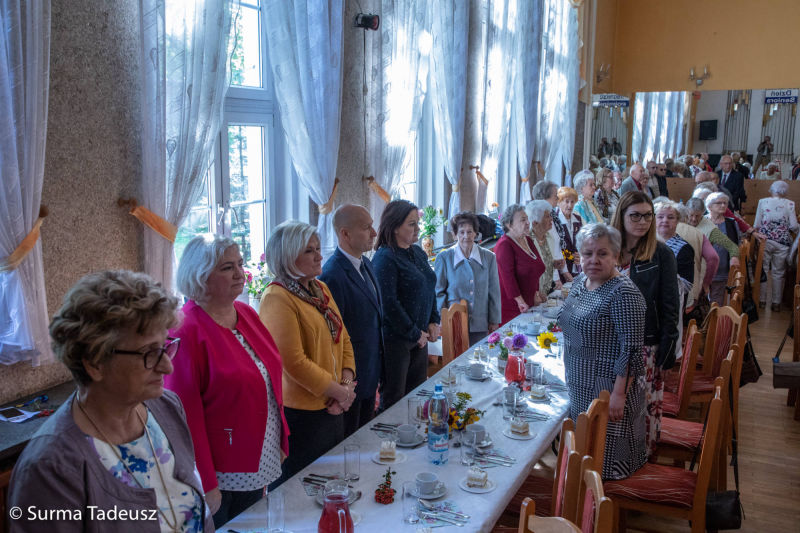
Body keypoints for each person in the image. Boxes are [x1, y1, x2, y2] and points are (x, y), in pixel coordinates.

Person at [9, 270, 212, 532]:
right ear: (95, 363)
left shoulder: (167, 407)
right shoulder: (50, 467)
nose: (167, 366)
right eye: (149, 353)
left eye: (165, 346)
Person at [167, 235, 289, 527]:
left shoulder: (245, 312)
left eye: (240, 264)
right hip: (221, 472)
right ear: (200, 276)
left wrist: (281, 436)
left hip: (260, 454)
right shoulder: (184, 329)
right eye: (227, 268)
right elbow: (185, 418)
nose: (239, 273)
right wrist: (206, 482)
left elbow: (269, 380)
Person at [260, 221, 356, 483]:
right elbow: (293, 362)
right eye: (309, 251)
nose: (319, 256)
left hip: (333, 405)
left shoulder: (320, 289)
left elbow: (344, 338)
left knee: (332, 483)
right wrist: (340, 392)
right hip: (303, 415)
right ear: (288, 257)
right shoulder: (277, 297)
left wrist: (346, 384)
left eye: (318, 249)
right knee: (303, 488)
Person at [558, 223, 647, 480]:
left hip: (607, 391)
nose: (593, 260)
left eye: (602, 253)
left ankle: (602, 501)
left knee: (604, 463)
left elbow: (631, 350)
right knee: (585, 454)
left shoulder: (624, 293)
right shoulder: (580, 282)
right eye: (588, 253)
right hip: (580, 385)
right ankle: (581, 497)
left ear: (616, 256)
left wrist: (619, 394)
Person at [611, 191, 679, 458]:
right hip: (609, 342)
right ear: (621, 216)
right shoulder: (608, 247)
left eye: (647, 216)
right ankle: (611, 459)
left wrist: (668, 348)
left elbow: (670, 305)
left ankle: (640, 458)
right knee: (612, 408)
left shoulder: (661, 253)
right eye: (635, 216)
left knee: (639, 407)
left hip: (645, 345)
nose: (642, 222)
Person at [320, 204, 383, 436]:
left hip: (370, 372)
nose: (374, 233)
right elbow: (334, 337)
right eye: (366, 228)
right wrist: (345, 384)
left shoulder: (366, 263)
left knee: (366, 438)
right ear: (345, 234)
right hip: (350, 381)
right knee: (350, 443)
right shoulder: (332, 275)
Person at [372, 200, 440, 410]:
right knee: (394, 401)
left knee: (416, 395)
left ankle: (414, 431)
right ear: (394, 227)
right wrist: (414, 333)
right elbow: (388, 304)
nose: (418, 228)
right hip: (396, 342)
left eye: (417, 223)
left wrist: (433, 320)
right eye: (412, 224)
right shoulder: (385, 258)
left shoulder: (417, 252)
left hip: (420, 336)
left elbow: (429, 286)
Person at [435, 212, 501, 345]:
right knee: (456, 357)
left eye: (470, 232)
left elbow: (494, 291)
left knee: (480, 355)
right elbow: (438, 292)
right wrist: (442, 319)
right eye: (461, 232)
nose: (466, 236)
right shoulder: (444, 258)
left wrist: (494, 320)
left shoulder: (489, 257)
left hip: (480, 324)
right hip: (453, 323)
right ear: (455, 235)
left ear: (476, 233)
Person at [495, 204, 546, 324]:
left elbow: (536, 269)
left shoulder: (527, 240)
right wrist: (520, 302)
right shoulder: (504, 245)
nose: (528, 222)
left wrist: (536, 292)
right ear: (509, 225)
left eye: (527, 219)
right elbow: (507, 278)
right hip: (513, 307)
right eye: (523, 220)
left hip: (530, 303)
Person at [753, 180, 799, 311]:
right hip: (782, 242)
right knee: (779, 272)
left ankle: (762, 301)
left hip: (764, 241)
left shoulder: (762, 202)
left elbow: (757, 224)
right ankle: (776, 303)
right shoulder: (790, 204)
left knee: (763, 270)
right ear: (785, 192)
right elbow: (793, 226)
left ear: (772, 190)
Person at [704, 192, 742, 305]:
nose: (723, 205)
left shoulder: (731, 223)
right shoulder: (702, 222)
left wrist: (734, 256)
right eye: (719, 203)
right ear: (709, 206)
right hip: (703, 270)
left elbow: (736, 244)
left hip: (722, 271)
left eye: (725, 203)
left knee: (717, 302)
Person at [532, 179, 570, 282]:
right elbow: (547, 253)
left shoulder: (553, 215)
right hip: (545, 276)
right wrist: (556, 279)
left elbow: (557, 246)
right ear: (545, 198)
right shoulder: (539, 219)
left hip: (554, 271)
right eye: (555, 196)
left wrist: (565, 272)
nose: (558, 198)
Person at [526, 199, 563, 301]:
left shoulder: (549, 237)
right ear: (535, 223)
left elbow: (544, 262)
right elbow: (528, 272)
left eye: (550, 215)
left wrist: (554, 264)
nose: (551, 219)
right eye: (547, 216)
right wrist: (536, 292)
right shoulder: (527, 241)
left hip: (546, 292)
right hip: (533, 295)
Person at [552, 187, 583, 277]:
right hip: (560, 267)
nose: (570, 205)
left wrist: (580, 255)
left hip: (575, 267)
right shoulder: (554, 220)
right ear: (559, 202)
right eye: (567, 201)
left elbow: (581, 242)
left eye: (572, 202)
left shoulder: (577, 219)